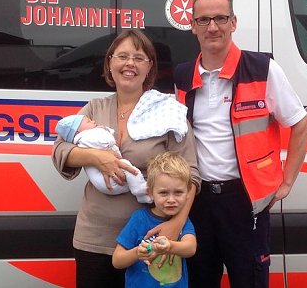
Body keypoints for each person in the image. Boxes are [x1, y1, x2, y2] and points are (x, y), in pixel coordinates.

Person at [173, 0, 307, 288]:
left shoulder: (262, 69)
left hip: (245, 202)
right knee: (199, 280)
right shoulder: (182, 77)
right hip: (199, 202)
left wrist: (286, 182)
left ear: (233, 23)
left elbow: (301, 125)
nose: (212, 27)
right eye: (204, 20)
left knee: (249, 280)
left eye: (220, 18)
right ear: (193, 26)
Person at [52, 29, 200, 288]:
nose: (129, 63)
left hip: (149, 241)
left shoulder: (169, 112)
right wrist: (97, 158)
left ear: (149, 66)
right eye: (122, 56)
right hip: (94, 237)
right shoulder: (94, 109)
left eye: (139, 57)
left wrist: (176, 225)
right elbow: (60, 151)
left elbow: (192, 175)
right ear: (109, 63)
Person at [112, 152, 198, 287]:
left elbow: (190, 248)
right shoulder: (139, 219)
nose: (171, 200)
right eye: (164, 193)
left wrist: (170, 246)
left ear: (188, 192)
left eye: (178, 192)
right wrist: (137, 253)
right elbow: (117, 260)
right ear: (150, 192)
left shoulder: (183, 221)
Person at [55, 114, 150, 203]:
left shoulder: (87, 134)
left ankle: (139, 191)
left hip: (108, 185)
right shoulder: (86, 136)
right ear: (77, 131)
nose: (93, 121)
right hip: (106, 183)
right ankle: (140, 189)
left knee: (127, 174)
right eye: (88, 122)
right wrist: (96, 156)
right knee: (127, 166)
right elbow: (107, 142)